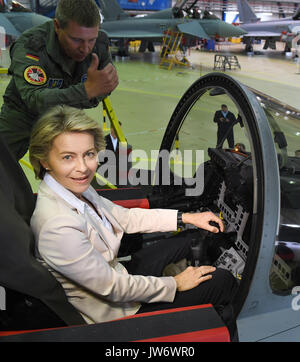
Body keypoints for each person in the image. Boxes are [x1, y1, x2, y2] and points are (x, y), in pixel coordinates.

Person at [29, 105, 237, 327]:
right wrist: (175, 283)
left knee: (192, 237)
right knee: (222, 281)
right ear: (44, 160)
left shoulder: (73, 187)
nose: (83, 168)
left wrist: (186, 218)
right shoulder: (57, 226)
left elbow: (124, 217)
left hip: (118, 275)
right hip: (120, 312)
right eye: (68, 157)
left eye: (89, 154)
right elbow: (113, 287)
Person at [0, 0, 118, 160]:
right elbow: (35, 99)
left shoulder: (100, 43)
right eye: (76, 40)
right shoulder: (31, 46)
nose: (85, 48)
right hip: (23, 115)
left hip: (68, 116)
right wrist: (86, 92)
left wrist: (89, 93)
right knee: (3, 162)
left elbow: (105, 85)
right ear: (57, 26)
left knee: (76, 170)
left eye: (91, 40)